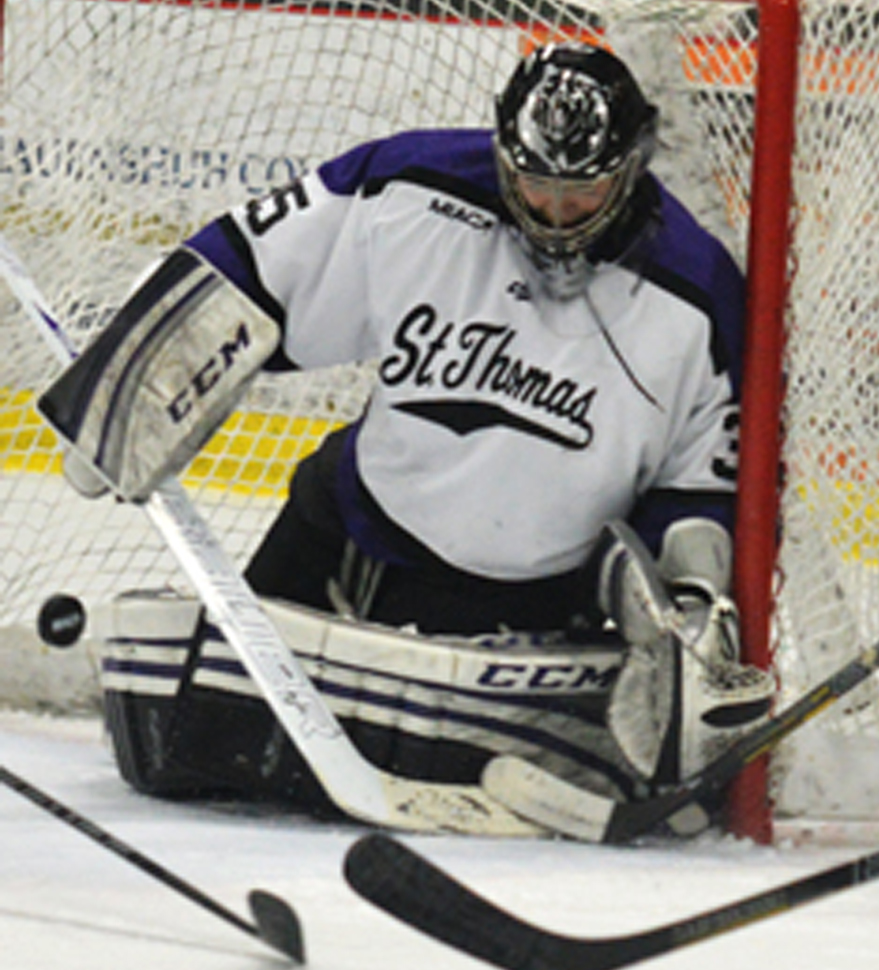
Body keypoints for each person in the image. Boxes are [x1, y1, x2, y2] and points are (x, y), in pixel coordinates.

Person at [41, 43, 773, 826]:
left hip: (533, 619)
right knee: (202, 762)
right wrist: (136, 372)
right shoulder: (410, 189)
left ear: (630, 171)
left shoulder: (694, 296)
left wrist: (688, 607)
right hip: (346, 551)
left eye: (582, 194)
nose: (554, 213)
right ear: (502, 151)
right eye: (534, 184)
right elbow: (255, 265)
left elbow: (699, 486)